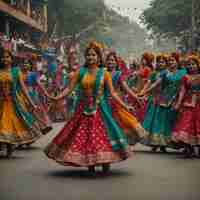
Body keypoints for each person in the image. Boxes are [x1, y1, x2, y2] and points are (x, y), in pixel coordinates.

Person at [44, 41, 132, 173]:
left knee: (102, 137)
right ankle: (90, 164)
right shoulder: (80, 72)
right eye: (88, 55)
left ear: (99, 57)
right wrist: (57, 97)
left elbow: (113, 93)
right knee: (87, 137)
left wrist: (125, 105)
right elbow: (69, 88)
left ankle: (105, 163)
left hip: (101, 111)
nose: (91, 57)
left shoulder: (105, 73)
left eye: (93, 55)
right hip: (83, 110)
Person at [140, 53, 187, 153]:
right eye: (169, 60)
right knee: (162, 122)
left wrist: (180, 101)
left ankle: (174, 143)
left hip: (177, 100)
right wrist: (144, 92)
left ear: (177, 62)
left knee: (173, 122)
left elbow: (184, 87)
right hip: (163, 100)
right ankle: (159, 143)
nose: (171, 62)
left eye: (173, 60)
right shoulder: (165, 73)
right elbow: (156, 83)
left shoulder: (183, 73)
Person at [0, 49, 42, 157]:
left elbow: (23, 89)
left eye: (7, 57)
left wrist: (32, 104)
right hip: (2, 103)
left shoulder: (15, 71)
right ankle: (5, 145)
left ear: (11, 59)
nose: (5, 59)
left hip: (13, 103)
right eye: (3, 57)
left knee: (11, 124)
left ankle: (9, 147)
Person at [105, 52, 147, 145]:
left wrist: (136, 97)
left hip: (115, 102)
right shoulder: (102, 72)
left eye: (112, 60)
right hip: (103, 103)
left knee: (123, 121)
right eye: (108, 60)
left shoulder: (118, 74)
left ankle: (120, 141)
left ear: (116, 63)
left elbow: (126, 87)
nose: (110, 62)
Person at [172, 55, 200, 158]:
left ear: (198, 65)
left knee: (197, 124)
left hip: (198, 104)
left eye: (194, 64)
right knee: (185, 124)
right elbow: (182, 91)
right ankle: (189, 148)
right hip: (187, 104)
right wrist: (178, 103)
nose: (191, 66)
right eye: (189, 64)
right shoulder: (185, 77)